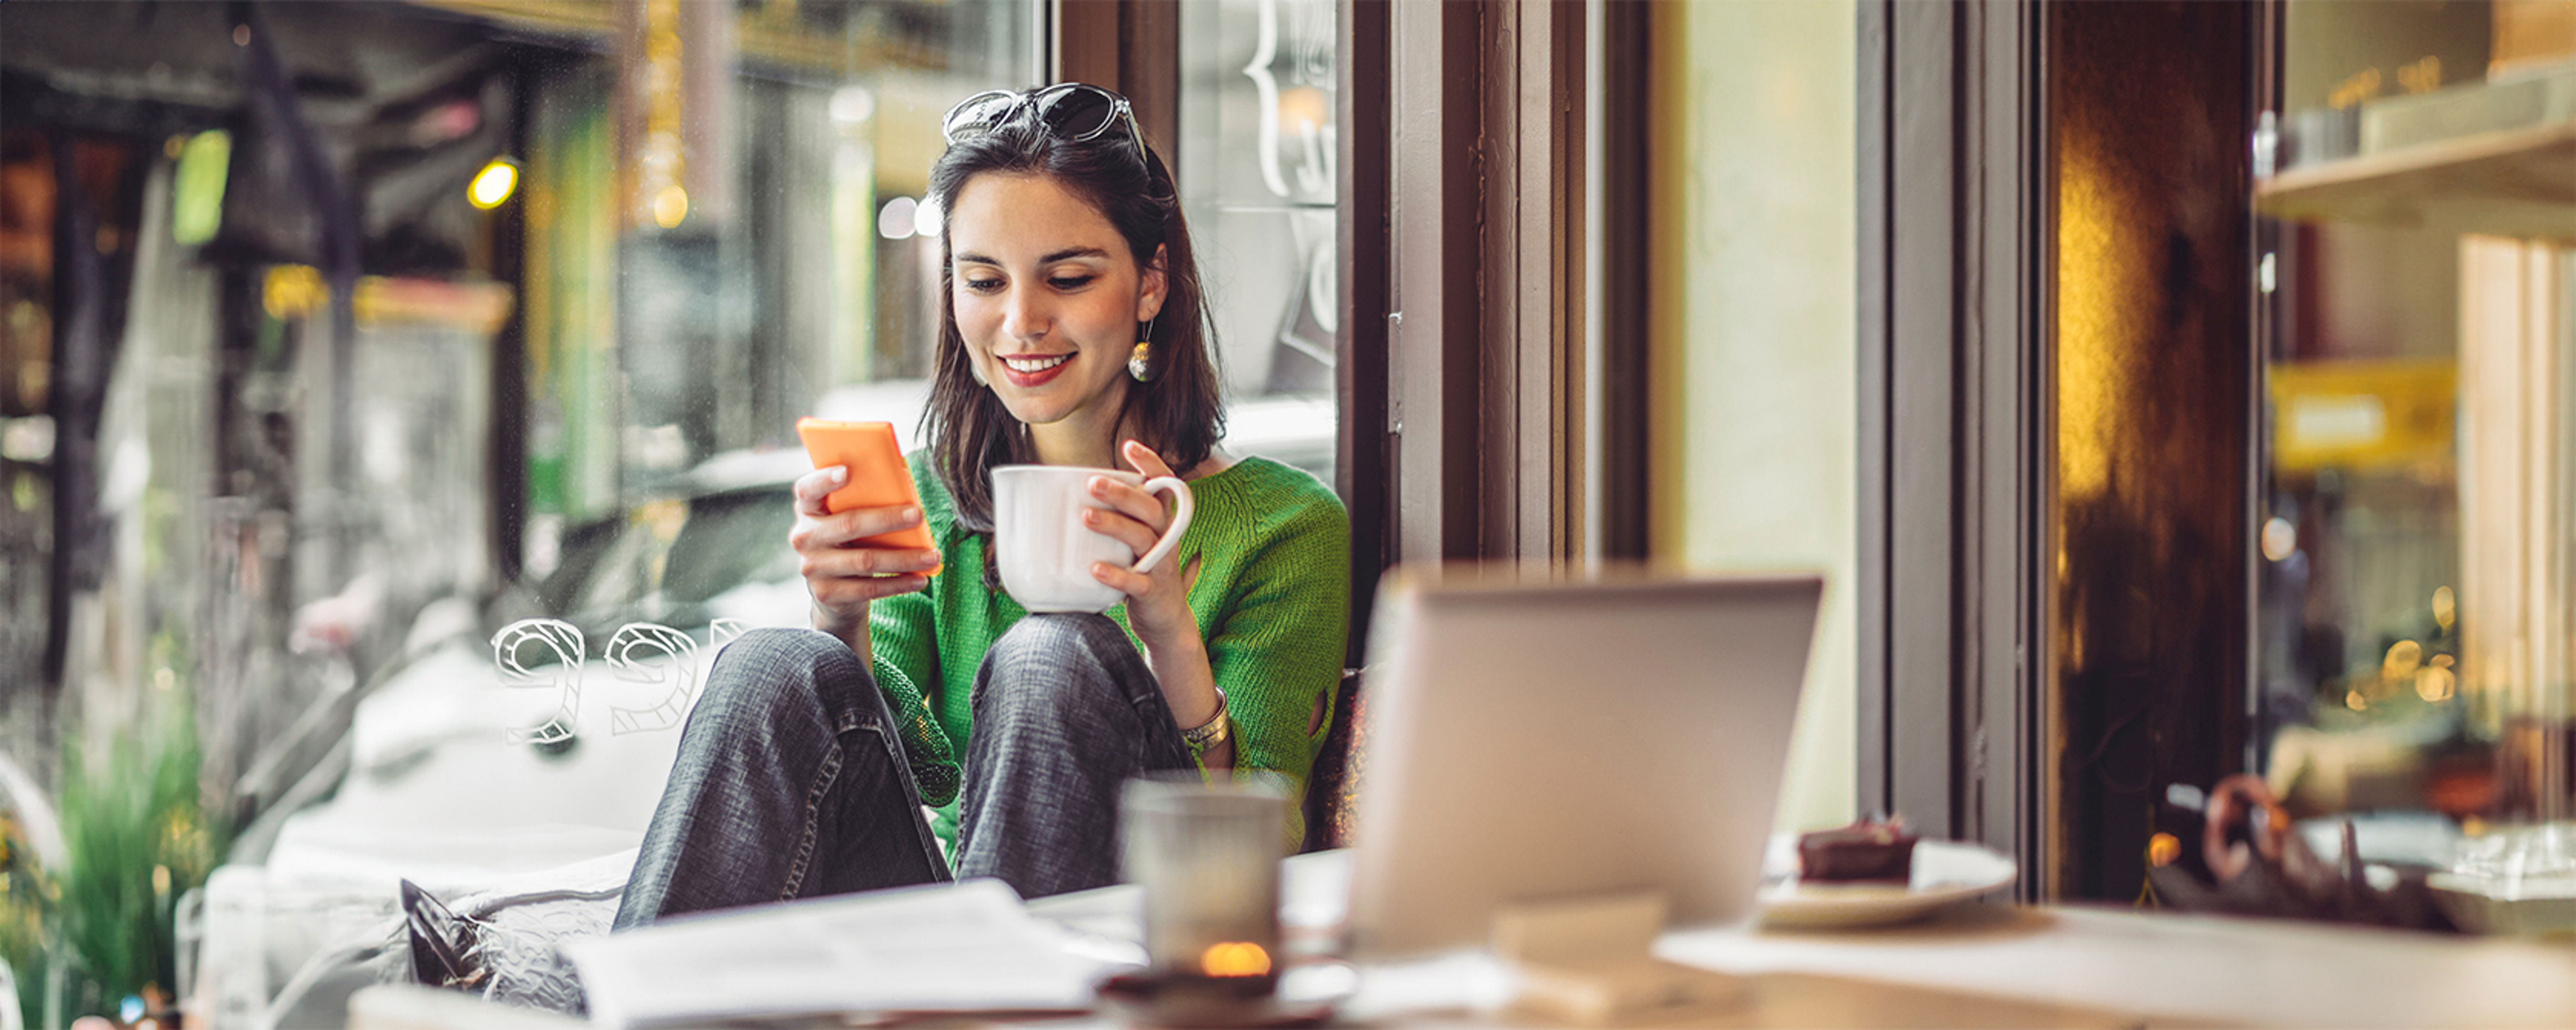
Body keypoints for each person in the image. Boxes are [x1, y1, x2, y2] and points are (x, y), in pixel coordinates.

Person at [614, 83, 1351, 927]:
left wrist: (1169, 634)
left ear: (1151, 284)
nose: (1021, 322)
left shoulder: (1285, 526)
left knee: (1052, 652)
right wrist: (839, 619)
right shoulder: (933, 493)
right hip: (944, 922)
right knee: (773, 660)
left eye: (1068, 278)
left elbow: (1255, 846)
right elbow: (919, 773)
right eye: (983, 280)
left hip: (1130, 929)